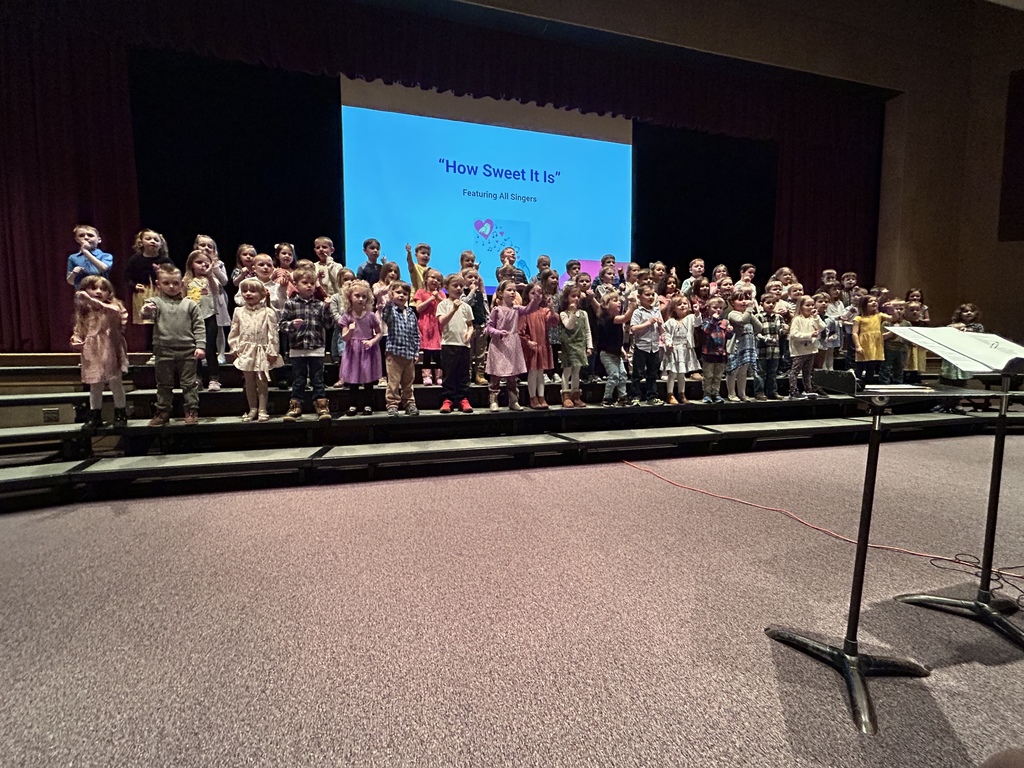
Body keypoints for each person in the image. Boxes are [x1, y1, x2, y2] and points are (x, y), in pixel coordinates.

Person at [140, 266, 205, 425]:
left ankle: (191, 410)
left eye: (175, 283)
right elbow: (145, 313)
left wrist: (200, 346)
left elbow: (199, 326)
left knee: (189, 383)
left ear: (182, 284)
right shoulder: (155, 302)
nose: (171, 286)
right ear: (158, 284)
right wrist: (146, 310)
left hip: (187, 350)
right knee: (163, 383)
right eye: (166, 283)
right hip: (163, 350)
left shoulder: (190, 304)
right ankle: (163, 411)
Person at [71, 276, 128, 428]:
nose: (98, 291)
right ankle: (94, 415)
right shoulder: (84, 312)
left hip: (110, 348)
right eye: (94, 288)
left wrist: (91, 300)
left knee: (115, 381)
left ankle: (121, 414)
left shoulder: (115, 307)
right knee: (95, 384)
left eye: (103, 289)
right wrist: (76, 340)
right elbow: (79, 330)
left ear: (109, 293)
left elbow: (113, 314)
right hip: (92, 350)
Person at [279, 267, 333, 422]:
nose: (309, 286)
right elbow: (281, 325)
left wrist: (328, 309)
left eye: (312, 283)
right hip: (297, 348)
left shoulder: (320, 305)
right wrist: (291, 325)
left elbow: (328, 325)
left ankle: (321, 405)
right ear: (296, 284)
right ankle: (296, 406)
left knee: (317, 378)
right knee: (299, 379)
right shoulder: (290, 304)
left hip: (316, 348)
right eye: (305, 283)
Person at [229, 278, 282, 422]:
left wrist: (272, 350)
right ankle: (252, 408)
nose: (248, 294)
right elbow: (234, 331)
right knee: (249, 381)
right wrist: (234, 346)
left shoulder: (268, 312)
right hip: (246, 350)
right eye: (245, 291)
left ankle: (262, 409)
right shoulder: (238, 311)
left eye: (252, 291)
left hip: (262, 351)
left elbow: (273, 333)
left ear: (261, 294)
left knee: (262, 380)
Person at [486, 279, 540, 411]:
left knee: (512, 375)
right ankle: (494, 400)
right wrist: (498, 332)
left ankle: (513, 400)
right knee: (496, 375)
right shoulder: (497, 310)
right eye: (509, 290)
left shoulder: (516, 309)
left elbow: (528, 309)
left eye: (514, 291)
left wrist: (535, 300)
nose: (512, 293)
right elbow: (489, 327)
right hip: (499, 345)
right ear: (500, 293)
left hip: (512, 345)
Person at [124, 229, 174, 355]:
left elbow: (173, 275)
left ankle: (163, 347)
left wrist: (160, 273)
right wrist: (134, 285)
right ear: (141, 242)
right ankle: (151, 349)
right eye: (149, 239)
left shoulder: (165, 260)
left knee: (162, 320)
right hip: (144, 292)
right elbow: (127, 276)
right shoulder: (135, 260)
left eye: (156, 240)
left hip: (160, 292)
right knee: (148, 321)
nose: (153, 241)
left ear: (161, 244)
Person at [339, 279, 383, 416]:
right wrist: (351, 331)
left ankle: (368, 404)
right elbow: (344, 337)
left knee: (368, 379)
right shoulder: (346, 316)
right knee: (353, 379)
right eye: (357, 296)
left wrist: (372, 342)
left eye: (364, 297)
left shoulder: (370, 316)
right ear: (350, 297)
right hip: (353, 350)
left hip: (367, 350)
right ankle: (353, 404)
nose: (360, 299)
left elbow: (380, 332)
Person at [436, 273, 476, 413]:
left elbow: (470, 325)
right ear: (446, 287)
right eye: (455, 286)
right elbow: (441, 322)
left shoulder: (466, 307)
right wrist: (453, 309)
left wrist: (469, 333)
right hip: (448, 344)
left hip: (463, 345)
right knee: (449, 373)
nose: (459, 288)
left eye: (461, 286)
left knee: (463, 373)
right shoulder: (443, 304)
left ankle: (463, 398)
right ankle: (448, 399)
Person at [183, 249, 222, 391]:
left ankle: (214, 378)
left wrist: (210, 273)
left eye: (206, 263)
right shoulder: (186, 281)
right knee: (195, 349)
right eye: (199, 262)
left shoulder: (211, 279)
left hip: (209, 316)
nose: (203, 266)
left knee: (210, 349)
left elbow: (215, 290)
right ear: (191, 264)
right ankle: (197, 377)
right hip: (192, 319)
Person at [380, 280, 420, 416]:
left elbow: (416, 334)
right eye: (398, 292)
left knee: (408, 382)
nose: (401, 295)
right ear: (392, 294)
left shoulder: (411, 313)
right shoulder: (391, 310)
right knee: (393, 382)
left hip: (409, 354)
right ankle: (392, 404)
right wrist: (389, 299)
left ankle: (409, 403)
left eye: (404, 293)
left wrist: (416, 351)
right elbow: (385, 314)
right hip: (394, 353)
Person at [519, 280, 558, 410]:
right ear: (527, 295)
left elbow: (553, 321)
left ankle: (541, 396)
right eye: (533, 293)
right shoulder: (525, 312)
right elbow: (520, 331)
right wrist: (527, 341)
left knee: (541, 373)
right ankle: (532, 397)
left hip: (543, 345)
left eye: (540, 293)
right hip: (532, 346)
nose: (537, 296)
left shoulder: (544, 311)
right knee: (533, 372)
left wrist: (552, 308)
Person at [194, 235, 231, 365]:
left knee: (219, 327)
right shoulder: (195, 263)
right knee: (202, 328)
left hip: (217, 298)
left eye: (210, 246)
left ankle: (221, 354)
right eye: (203, 245)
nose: (206, 248)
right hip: (201, 299)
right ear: (196, 247)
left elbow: (225, 281)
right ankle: (204, 354)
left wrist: (215, 269)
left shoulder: (219, 264)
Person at [559, 284, 593, 408]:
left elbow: (587, 330)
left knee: (576, 371)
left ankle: (576, 394)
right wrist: (572, 313)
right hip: (568, 345)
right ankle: (566, 395)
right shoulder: (564, 313)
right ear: (567, 298)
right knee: (567, 370)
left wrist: (589, 346)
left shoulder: (584, 314)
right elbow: (569, 326)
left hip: (580, 345)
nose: (576, 299)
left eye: (578, 296)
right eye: (573, 296)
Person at [629, 284, 664, 405]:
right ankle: (635, 396)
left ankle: (652, 396)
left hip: (654, 347)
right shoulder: (638, 312)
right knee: (638, 374)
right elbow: (633, 329)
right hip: (641, 346)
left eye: (652, 294)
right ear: (639, 296)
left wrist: (659, 325)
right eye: (647, 294)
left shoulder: (656, 311)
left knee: (652, 374)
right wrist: (648, 323)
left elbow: (662, 331)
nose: (650, 297)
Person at [725, 291, 763, 402]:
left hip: (747, 346)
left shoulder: (748, 314)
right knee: (733, 371)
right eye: (740, 299)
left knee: (743, 372)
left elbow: (759, 327)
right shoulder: (733, 314)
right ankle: (731, 393)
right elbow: (741, 321)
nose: (743, 302)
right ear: (732, 302)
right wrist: (749, 309)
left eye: (745, 299)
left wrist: (750, 313)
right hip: (736, 347)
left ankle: (742, 393)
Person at [663, 295, 698, 405]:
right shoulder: (670, 322)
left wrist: (697, 313)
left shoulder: (691, 318)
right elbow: (666, 334)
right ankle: (670, 394)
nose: (682, 306)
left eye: (684, 303)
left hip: (685, 348)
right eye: (679, 304)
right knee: (673, 373)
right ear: (674, 308)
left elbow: (698, 322)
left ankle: (681, 393)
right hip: (674, 349)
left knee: (682, 374)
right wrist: (668, 343)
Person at [788, 295, 825, 399]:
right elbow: (794, 334)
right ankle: (793, 390)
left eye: (812, 305)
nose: (810, 307)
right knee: (795, 371)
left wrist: (816, 317)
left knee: (807, 371)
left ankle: (808, 388)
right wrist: (809, 335)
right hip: (800, 350)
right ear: (801, 306)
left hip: (811, 349)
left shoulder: (813, 318)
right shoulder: (797, 319)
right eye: (807, 305)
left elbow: (822, 327)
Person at [414, 268, 445, 386]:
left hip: (437, 324)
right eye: (432, 277)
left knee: (437, 351)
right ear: (426, 279)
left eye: (438, 279)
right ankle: (426, 375)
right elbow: (418, 308)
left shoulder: (441, 294)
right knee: (426, 351)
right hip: (425, 324)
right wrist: (431, 298)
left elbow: (445, 305)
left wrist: (438, 298)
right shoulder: (420, 292)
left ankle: (439, 375)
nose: (435, 281)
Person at [373, 261, 401, 385]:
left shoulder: (399, 286)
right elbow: (376, 294)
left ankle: (393, 376)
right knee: (382, 349)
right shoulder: (377, 285)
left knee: (393, 351)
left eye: (395, 271)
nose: (393, 274)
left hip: (395, 321)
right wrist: (389, 287)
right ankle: (381, 376)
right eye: (390, 271)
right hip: (382, 322)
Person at [852, 294, 889, 385]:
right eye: (870, 301)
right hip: (864, 344)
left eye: (875, 301)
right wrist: (857, 346)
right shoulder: (859, 318)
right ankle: (856, 384)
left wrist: (893, 308)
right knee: (860, 366)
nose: (874, 303)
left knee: (871, 366)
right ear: (864, 304)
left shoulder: (879, 316)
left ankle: (869, 384)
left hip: (875, 344)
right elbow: (854, 333)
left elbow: (893, 318)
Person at [755, 292, 786, 401]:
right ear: (762, 304)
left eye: (773, 303)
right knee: (760, 373)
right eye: (768, 303)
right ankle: (759, 392)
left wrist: (785, 330)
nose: (771, 305)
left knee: (772, 373)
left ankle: (772, 392)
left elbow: (780, 332)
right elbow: (756, 333)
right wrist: (766, 339)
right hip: (762, 350)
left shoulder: (778, 317)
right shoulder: (758, 317)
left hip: (775, 350)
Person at [700, 296, 731, 404]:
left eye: (720, 308)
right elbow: (706, 330)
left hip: (721, 353)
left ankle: (715, 393)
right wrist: (714, 320)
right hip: (708, 353)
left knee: (718, 376)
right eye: (715, 307)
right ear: (708, 308)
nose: (718, 310)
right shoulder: (705, 321)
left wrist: (730, 332)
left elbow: (728, 337)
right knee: (708, 375)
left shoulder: (725, 322)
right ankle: (707, 393)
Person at [461, 269, 490, 386]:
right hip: (468, 327)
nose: (473, 280)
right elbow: (464, 305)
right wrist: (472, 291)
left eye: (475, 277)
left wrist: (487, 323)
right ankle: (466, 375)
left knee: (481, 353)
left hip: (480, 326)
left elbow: (485, 309)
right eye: (470, 277)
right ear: (464, 279)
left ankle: (480, 375)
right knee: (468, 353)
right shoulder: (462, 293)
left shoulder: (481, 293)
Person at [66, 224, 112, 291]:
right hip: (82, 294)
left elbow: (103, 268)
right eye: (81, 236)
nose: (86, 238)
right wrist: (74, 273)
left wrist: (85, 251)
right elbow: (70, 281)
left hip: (100, 292)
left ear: (99, 240)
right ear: (77, 239)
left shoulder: (105, 255)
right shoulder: (73, 257)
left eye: (90, 235)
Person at [880, 298, 911, 384]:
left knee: (900, 367)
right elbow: (881, 337)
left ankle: (898, 383)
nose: (898, 311)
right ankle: (884, 383)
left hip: (902, 348)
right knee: (886, 367)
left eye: (901, 309)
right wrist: (890, 334)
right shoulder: (886, 323)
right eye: (896, 309)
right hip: (889, 348)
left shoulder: (907, 323)